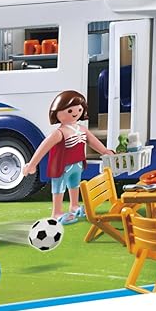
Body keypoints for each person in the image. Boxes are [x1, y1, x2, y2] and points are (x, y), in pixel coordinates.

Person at [22, 90, 113, 224]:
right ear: (57, 112)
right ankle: (56, 213)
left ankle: (74, 206)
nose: (75, 113)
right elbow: (43, 148)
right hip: (62, 167)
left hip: (77, 164)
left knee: (74, 185)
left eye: (79, 109)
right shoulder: (59, 133)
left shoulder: (82, 129)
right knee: (59, 188)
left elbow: (92, 141)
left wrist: (104, 151)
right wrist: (32, 164)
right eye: (70, 111)